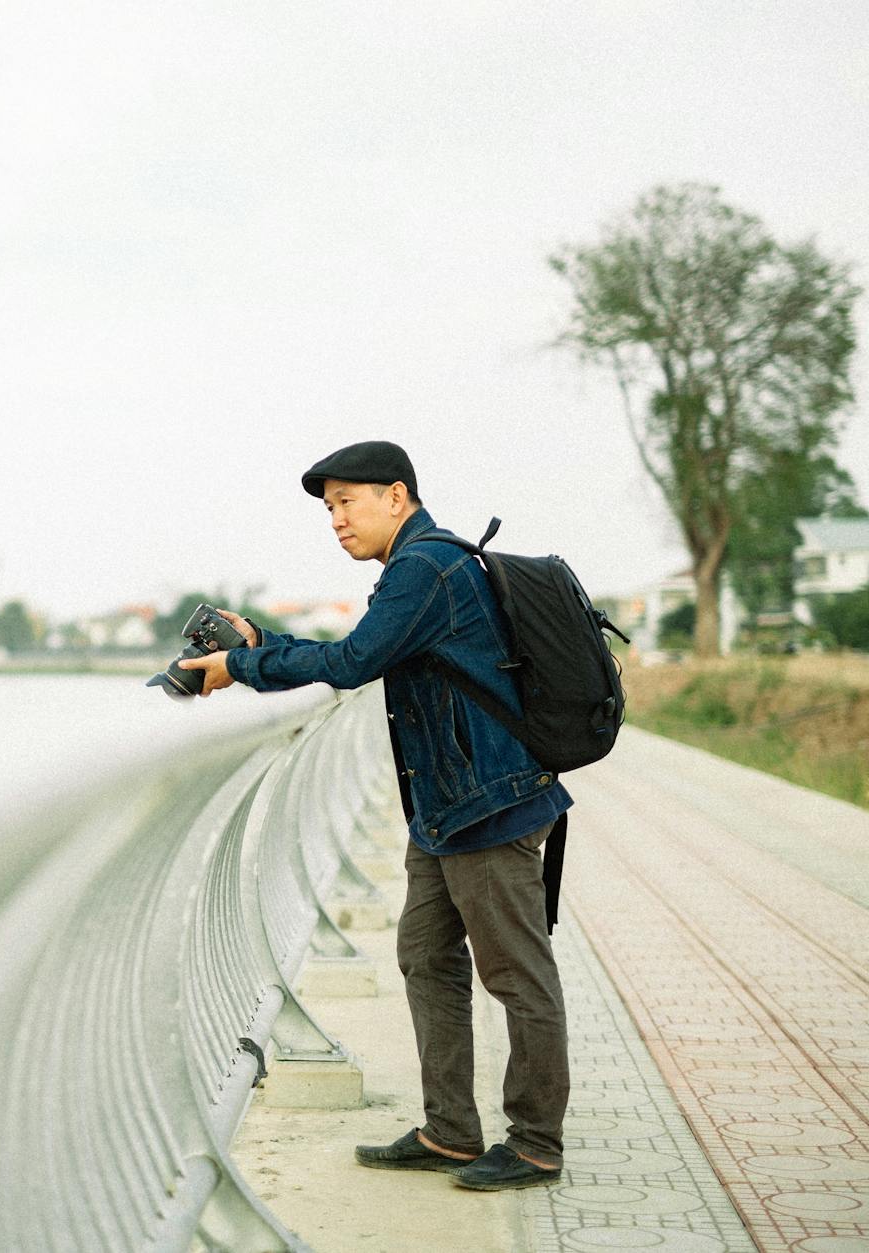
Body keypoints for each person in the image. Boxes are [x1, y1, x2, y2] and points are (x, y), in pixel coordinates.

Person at [179, 439, 570, 1192]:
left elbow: (353, 662)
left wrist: (241, 665)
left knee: (518, 976)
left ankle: (535, 1144)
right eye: (329, 507)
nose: (335, 519)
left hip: (492, 802)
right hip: (448, 806)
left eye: (346, 502)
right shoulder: (416, 568)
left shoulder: (427, 568)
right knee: (426, 955)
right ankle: (451, 1131)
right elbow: (364, 651)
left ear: (396, 496)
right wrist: (260, 644)